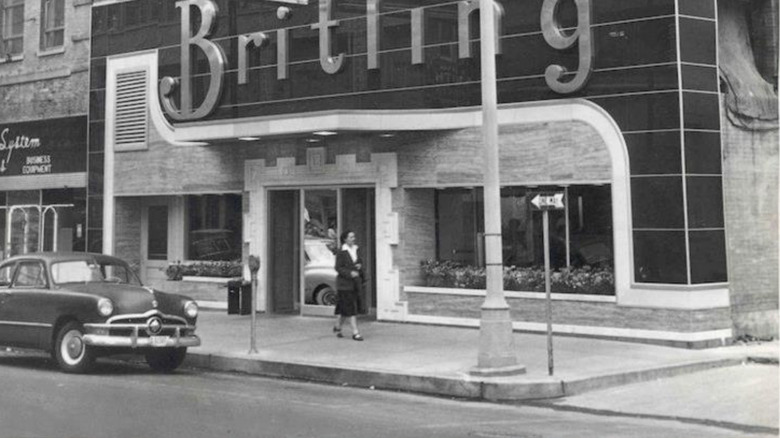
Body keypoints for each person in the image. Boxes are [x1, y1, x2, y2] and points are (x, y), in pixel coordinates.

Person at [333, 230, 364, 341]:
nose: (353, 238)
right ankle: (355, 332)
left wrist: (360, 265)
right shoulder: (341, 252)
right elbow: (338, 267)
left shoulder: (356, 249)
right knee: (351, 308)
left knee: (344, 308)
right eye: (351, 237)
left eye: (354, 236)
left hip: (355, 283)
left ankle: (338, 327)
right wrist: (349, 273)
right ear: (345, 239)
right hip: (344, 284)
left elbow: (359, 261)